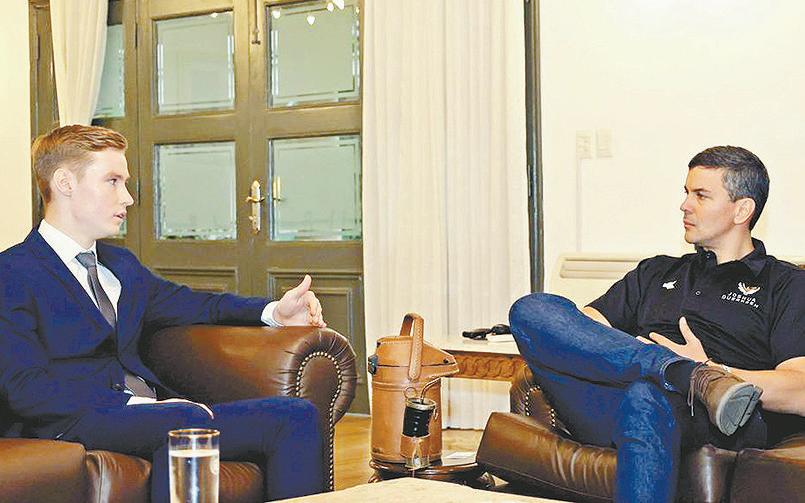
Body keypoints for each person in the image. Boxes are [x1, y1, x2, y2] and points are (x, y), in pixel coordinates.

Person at [0, 125, 328, 501]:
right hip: (68, 422)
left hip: (156, 417)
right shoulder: (12, 273)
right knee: (183, 421)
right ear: (65, 183)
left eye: (125, 183)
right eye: (112, 181)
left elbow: (194, 304)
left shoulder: (120, 265)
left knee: (297, 415)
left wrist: (274, 312)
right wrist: (137, 406)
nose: (127, 197)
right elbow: (25, 389)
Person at [510, 146, 805, 502]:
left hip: (710, 419)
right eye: (686, 192)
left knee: (645, 396)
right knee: (531, 309)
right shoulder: (656, 271)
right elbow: (579, 330)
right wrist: (677, 365)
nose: (684, 205)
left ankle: (697, 378)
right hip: (611, 400)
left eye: (701, 195)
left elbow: (800, 389)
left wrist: (718, 369)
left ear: (742, 210)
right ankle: (685, 373)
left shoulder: (785, 285)